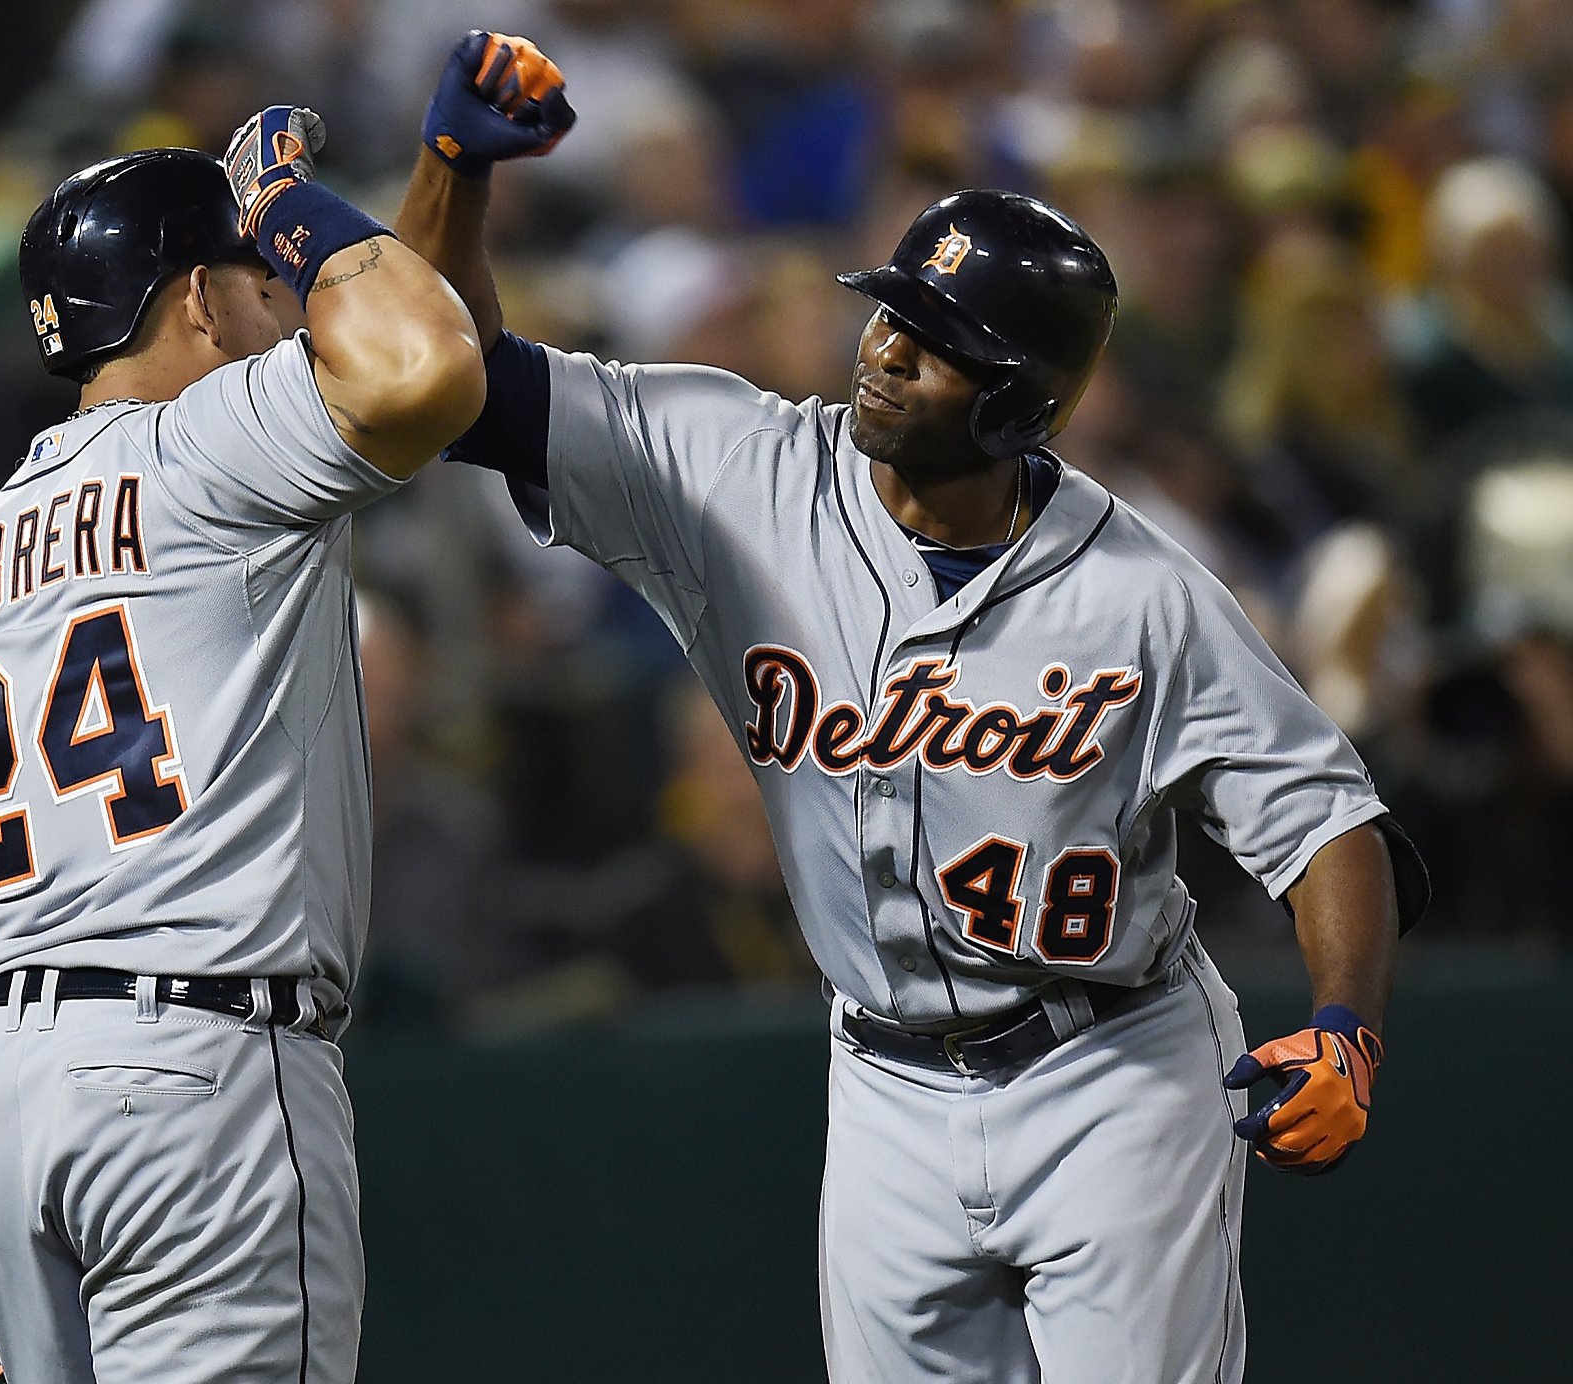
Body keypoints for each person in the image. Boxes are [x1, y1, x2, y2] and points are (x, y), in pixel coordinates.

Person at [401, 30, 1426, 1382]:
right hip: (882, 1075)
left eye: (932, 346)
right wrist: (456, 169)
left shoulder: (1142, 594)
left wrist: (1348, 1025)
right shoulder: (739, 470)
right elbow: (454, 373)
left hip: (1110, 1065)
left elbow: (1326, 821)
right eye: (891, 313)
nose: (881, 350)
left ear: (1013, 406)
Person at [0, 114, 483, 1382]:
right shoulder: (215, 443)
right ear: (203, 300)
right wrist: (276, 195)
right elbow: (426, 365)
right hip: (196, 1069)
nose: (291, 305)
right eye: (265, 277)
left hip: (0, 1102)